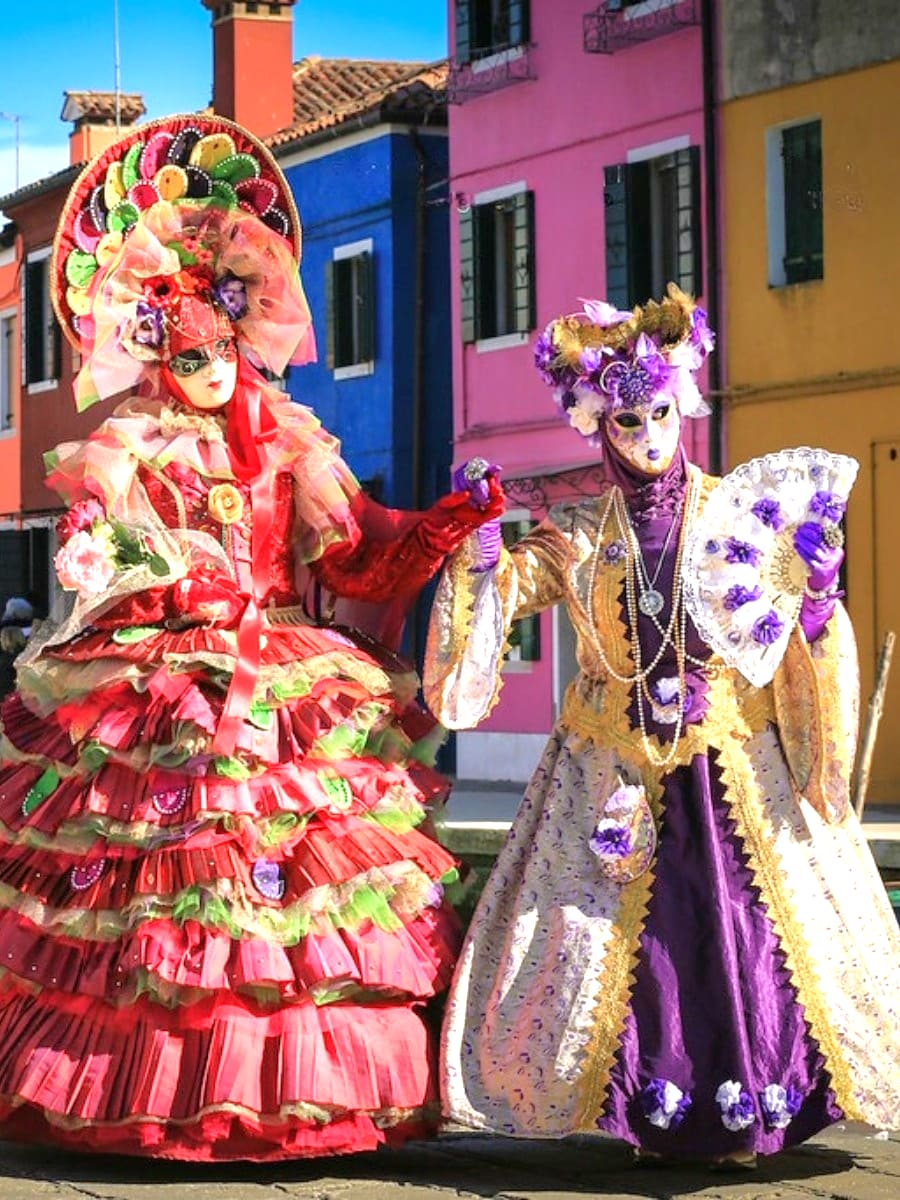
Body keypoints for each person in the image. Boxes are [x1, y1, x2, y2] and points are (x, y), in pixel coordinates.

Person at [0, 115, 501, 1161]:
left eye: (225, 345)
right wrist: (127, 563)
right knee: (164, 886)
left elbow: (353, 552)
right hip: (166, 683)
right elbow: (99, 554)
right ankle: (157, 1091)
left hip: (276, 677)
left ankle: (299, 1093)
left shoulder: (290, 440)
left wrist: (443, 527)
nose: (214, 367)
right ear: (155, 347)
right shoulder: (127, 443)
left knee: (287, 890)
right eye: (190, 351)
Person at [426, 285, 900, 1168]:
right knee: (628, 948)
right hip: (612, 769)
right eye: (627, 422)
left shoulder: (741, 519)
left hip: (731, 767)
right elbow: (506, 602)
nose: (648, 438)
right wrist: (483, 557)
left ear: (680, 406)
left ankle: (753, 1104)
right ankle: (646, 1114)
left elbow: (793, 633)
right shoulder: (574, 536)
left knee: (744, 936)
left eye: (659, 416)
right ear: (598, 427)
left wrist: (820, 593)